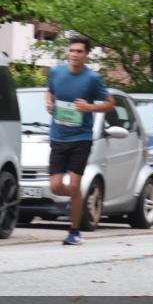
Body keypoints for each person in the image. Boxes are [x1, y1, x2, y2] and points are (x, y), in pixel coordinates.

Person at [45, 36, 114, 246]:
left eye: (79, 51)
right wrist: (49, 103)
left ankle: (74, 231)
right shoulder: (56, 72)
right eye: (72, 50)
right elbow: (50, 91)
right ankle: (78, 197)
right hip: (58, 136)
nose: (75, 55)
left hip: (81, 138)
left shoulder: (92, 78)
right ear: (68, 52)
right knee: (56, 186)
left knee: (74, 184)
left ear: (86, 55)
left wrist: (89, 108)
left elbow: (110, 103)